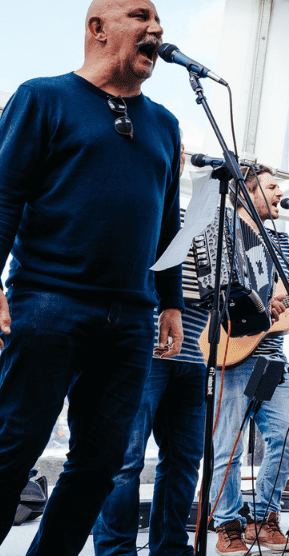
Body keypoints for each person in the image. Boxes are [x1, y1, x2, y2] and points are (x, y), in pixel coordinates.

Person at [0, 0, 182, 556]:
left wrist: (171, 301)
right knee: (13, 447)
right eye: (141, 16)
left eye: (157, 19)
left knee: (103, 461)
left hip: (132, 315)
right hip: (49, 301)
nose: (155, 28)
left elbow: (166, 223)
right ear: (98, 28)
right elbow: (1, 194)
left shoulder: (167, 124)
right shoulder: (43, 97)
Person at [208, 164, 289, 556]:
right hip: (232, 353)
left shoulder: (284, 245)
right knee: (226, 448)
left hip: (274, 358)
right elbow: (218, 286)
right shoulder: (224, 231)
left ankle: (264, 519)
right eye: (271, 185)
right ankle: (228, 525)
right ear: (248, 192)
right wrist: (261, 299)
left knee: (284, 440)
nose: (280, 191)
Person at [93, 184, 208, 556]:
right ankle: (116, 551)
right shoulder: (162, 211)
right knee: (124, 460)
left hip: (196, 359)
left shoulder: (226, 231)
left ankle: (171, 549)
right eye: (269, 187)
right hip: (145, 352)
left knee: (184, 462)